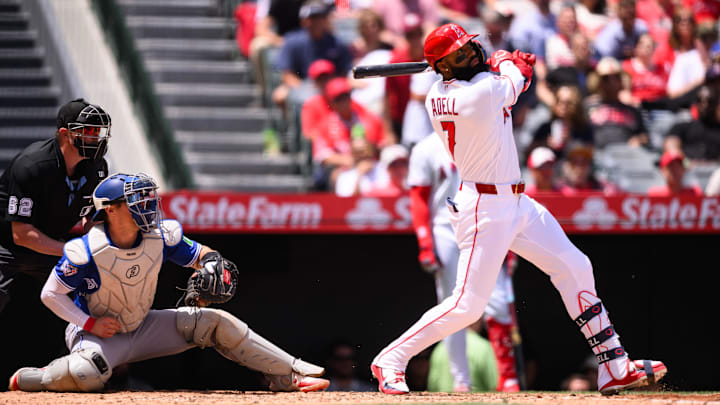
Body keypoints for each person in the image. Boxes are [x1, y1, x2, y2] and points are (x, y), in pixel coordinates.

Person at [369, 22, 667, 396]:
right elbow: (519, 77)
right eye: (460, 55)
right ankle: (391, 359)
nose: (472, 55)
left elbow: (501, 75)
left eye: (471, 49)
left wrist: (498, 63)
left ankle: (613, 363)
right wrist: (506, 61)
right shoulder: (477, 94)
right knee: (467, 305)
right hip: (484, 208)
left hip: (515, 202)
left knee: (575, 265)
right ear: (444, 67)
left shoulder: (444, 91)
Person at [8, 173, 330, 393]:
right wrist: (88, 322)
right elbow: (50, 293)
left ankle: (289, 376)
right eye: (137, 200)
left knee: (215, 323)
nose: (148, 205)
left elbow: (202, 253)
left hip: (145, 326)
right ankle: (35, 378)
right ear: (112, 209)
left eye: (148, 198)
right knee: (86, 373)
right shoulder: (86, 250)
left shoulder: (160, 235)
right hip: (98, 334)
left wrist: (211, 263)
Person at [408, 133, 520, 392]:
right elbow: (419, 197)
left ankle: (508, 377)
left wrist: (512, 239)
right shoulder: (426, 147)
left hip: (485, 225)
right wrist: (425, 242)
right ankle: (461, 381)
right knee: (452, 307)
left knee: (500, 302)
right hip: (445, 228)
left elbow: (510, 190)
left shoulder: (489, 137)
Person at [0, 98, 111, 314]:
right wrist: (73, 250)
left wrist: (98, 244)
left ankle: (90, 345)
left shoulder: (97, 167)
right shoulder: (32, 166)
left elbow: (92, 217)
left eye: (98, 131)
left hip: (50, 244)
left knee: (97, 287)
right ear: (65, 133)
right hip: (5, 246)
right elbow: (21, 235)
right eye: (88, 130)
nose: (95, 137)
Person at [586, 57, 649, 149]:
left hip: (627, 156)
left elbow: (645, 137)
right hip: (599, 156)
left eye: (616, 77)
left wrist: (638, 140)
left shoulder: (633, 110)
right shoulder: (588, 107)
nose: (612, 82)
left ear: (621, 81)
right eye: (606, 79)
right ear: (599, 82)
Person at [426, 318, 498, 392]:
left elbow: (433, 386)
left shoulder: (439, 348)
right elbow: (496, 385)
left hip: (443, 402)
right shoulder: (484, 347)